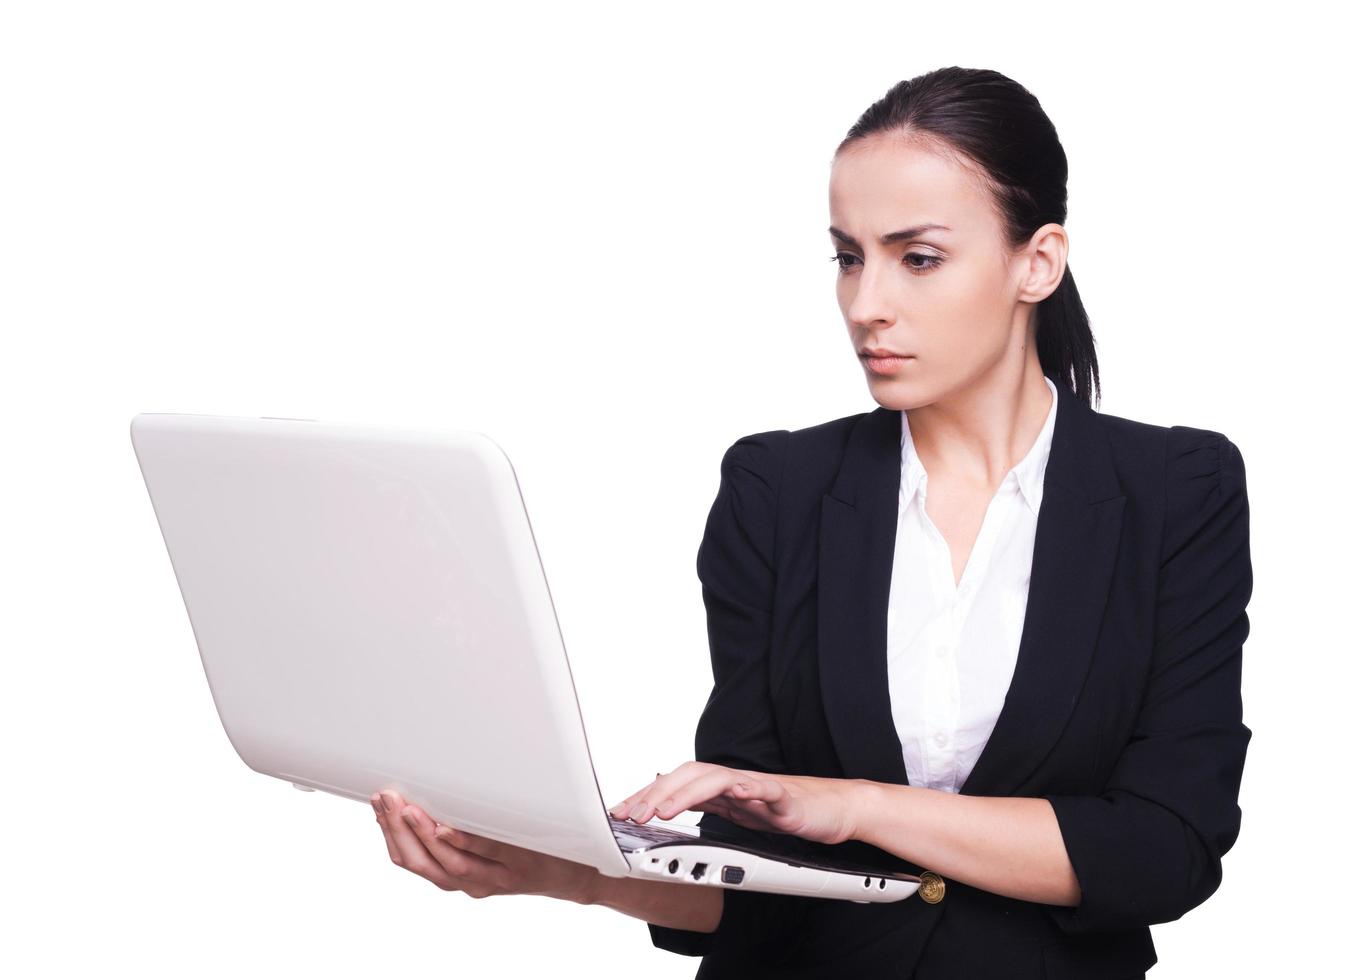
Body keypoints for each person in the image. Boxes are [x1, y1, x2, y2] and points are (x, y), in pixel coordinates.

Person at [367, 66, 1253, 980]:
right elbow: (754, 875)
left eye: (918, 258)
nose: (866, 304)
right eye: (847, 256)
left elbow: (1160, 852)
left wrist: (854, 807)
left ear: (1037, 262)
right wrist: (568, 874)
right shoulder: (776, 488)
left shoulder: (1175, 489)